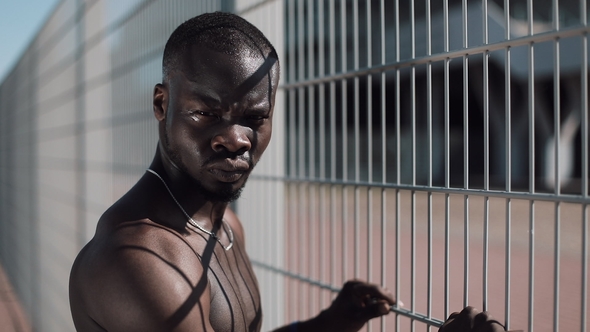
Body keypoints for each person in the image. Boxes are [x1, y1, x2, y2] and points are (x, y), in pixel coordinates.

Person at [69, 12, 509, 332]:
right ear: (162, 105)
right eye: (206, 112)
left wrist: (327, 324)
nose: (236, 138)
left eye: (254, 118)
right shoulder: (138, 262)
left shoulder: (223, 226)